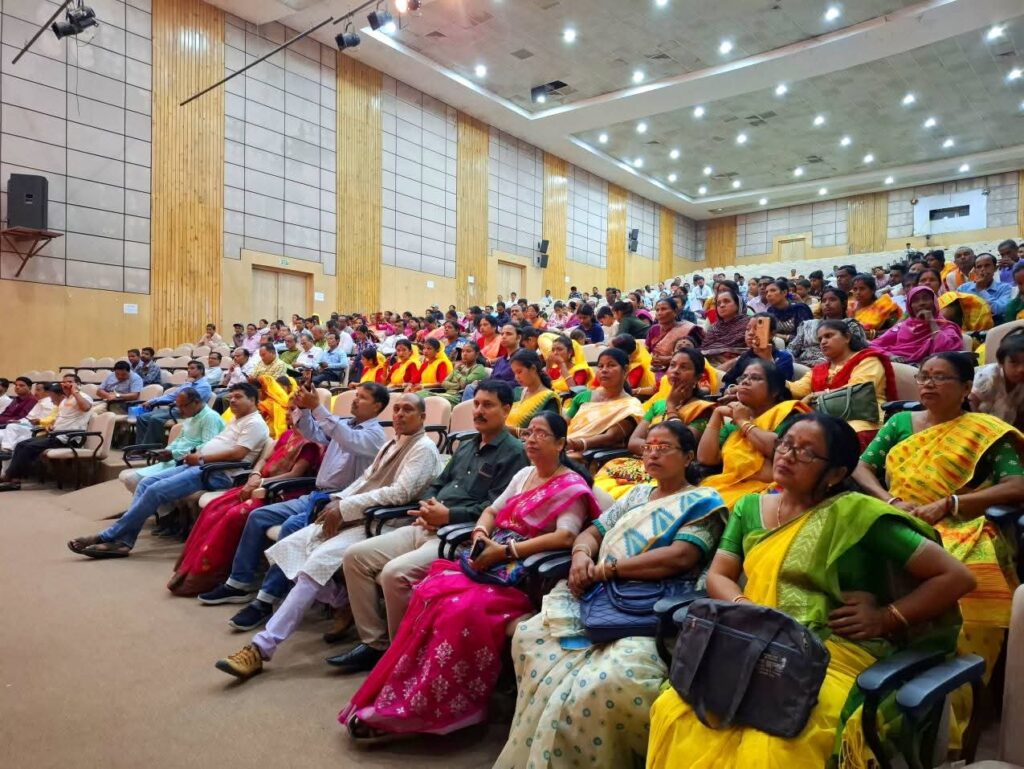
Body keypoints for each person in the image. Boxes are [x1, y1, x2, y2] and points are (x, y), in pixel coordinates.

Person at [648, 414, 974, 769]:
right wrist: (751, 612)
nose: (787, 455)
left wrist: (886, 618)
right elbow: (719, 575)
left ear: (835, 473)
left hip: (827, 652)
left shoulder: (854, 515)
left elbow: (956, 576)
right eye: (786, 444)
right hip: (751, 641)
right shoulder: (749, 508)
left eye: (806, 452)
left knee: (774, 748)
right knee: (676, 711)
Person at [340, 412, 600, 740]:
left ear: (561, 443)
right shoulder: (525, 474)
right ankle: (406, 690)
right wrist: (480, 534)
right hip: (489, 561)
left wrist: (506, 551)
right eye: (528, 433)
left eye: (541, 434)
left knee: (459, 609)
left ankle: (452, 708)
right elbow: (491, 510)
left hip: (522, 577)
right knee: (429, 591)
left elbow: (566, 536)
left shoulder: (570, 487)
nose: (531, 440)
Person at [497, 421, 725, 768]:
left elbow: (681, 556)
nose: (653, 454)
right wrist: (580, 556)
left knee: (608, 681)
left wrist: (609, 569)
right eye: (648, 447)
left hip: (651, 609)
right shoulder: (636, 496)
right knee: (531, 637)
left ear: (688, 457)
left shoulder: (702, 501)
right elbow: (592, 532)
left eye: (664, 448)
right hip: (599, 596)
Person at [214, 394, 441, 679]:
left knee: (314, 565)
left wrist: (344, 507)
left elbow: (400, 493)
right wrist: (336, 500)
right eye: (397, 409)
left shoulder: (423, 448)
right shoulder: (392, 443)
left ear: (423, 417)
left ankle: (261, 647)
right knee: (288, 549)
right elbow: (365, 480)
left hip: (386, 524)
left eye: (408, 410)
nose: (400, 414)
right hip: (357, 514)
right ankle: (341, 599)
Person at [854, 352, 1024, 704]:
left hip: (961, 524)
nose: (928, 384)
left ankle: (956, 696)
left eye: (940, 377)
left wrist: (951, 503)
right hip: (898, 518)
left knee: (970, 580)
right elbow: (861, 468)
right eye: (923, 376)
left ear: (965, 388)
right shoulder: (900, 422)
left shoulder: (986, 432)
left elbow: (1016, 485)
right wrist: (889, 499)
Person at [332, 381, 529, 672]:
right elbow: (437, 483)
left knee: (394, 574)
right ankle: (375, 644)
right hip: (425, 525)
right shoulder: (467, 445)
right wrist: (427, 506)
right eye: (476, 404)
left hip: (457, 538)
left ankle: (402, 657)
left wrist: (448, 515)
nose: (478, 411)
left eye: (488, 405)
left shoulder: (514, 454)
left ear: (507, 409)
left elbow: (496, 509)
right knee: (354, 557)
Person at [198, 382, 389, 631]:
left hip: (339, 502)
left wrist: (317, 407)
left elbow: (347, 438)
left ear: (377, 407)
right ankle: (238, 583)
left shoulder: (374, 435)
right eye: (356, 395)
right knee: (259, 516)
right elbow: (313, 433)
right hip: (316, 495)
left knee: (290, 527)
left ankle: (265, 600)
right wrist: (304, 409)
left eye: (362, 398)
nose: (354, 400)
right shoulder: (344, 424)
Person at [67, 383, 270, 555]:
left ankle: (108, 536)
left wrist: (201, 457)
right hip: (201, 465)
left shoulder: (255, 423)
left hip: (218, 473)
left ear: (253, 400)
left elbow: (238, 454)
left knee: (155, 491)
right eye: (231, 396)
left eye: (238, 397)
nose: (232, 400)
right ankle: (124, 542)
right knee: (146, 483)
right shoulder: (236, 419)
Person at [167, 409, 322, 595]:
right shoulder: (287, 435)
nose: (287, 413)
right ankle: (191, 569)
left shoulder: (310, 444)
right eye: (287, 409)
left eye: (293, 410)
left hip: (279, 492)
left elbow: (294, 475)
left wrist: (261, 482)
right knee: (214, 507)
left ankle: (215, 576)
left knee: (233, 515)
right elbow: (264, 460)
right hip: (258, 484)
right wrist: (255, 474)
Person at [593, 348, 716, 500]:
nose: (675, 371)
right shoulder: (658, 405)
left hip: (670, 475)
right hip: (640, 465)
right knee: (599, 488)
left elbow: (684, 445)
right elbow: (633, 442)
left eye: (684, 367)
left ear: (698, 377)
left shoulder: (703, 409)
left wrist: (671, 407)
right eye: (672, 365)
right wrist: (660, 450)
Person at [698, 358, 810, 508]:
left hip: (768, 497)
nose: (745, 381)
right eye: (743, 377)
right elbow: (706, 459)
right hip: (729, 490)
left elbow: (779, 450)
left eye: (755, 378)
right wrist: (717, 414)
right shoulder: (733, 425)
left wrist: (743, 422)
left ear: (775, 391)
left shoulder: (787, 414)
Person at [787, 320, 897, 448]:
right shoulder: (819, 369)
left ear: (847, 337)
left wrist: (814, 396)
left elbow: (858, 391)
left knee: (834, 439)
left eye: (828, 336)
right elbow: (799, 389)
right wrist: (772, 376)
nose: (823, 342)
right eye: (820, 339)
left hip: (864, 420)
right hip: (826, 419)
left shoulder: (868, 360)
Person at [118, 388, 225, 494]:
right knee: (132, 480)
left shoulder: (210, 417)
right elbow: (180, 438)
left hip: (189, 464)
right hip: (175, 460)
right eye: (178, 406)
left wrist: (174, 454)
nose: (180, 411)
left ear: (196, 402)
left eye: (183, 406)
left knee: (137, 482)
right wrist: (167, 450)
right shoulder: (191, 416)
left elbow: (206, 447)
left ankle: (159, 504)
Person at [0, 374, 93, 492]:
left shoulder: (83, 396)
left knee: (28, 447)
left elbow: (86, 407)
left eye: (70, 382)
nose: (66, 384)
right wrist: (51, 425)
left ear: (78, 384)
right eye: (64, 382)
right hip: (55, 435)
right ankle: (13, 478)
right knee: (21, 445)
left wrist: (75, 392)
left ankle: (11, 479)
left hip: (68, 438)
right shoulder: (65, 400)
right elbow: (60, 418)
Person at [563, 348, 645, 462]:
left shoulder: (630, 406)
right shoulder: (584, 396)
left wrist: (577, 443)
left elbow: (611, 437)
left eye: (611, 365)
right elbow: (563, 424)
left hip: (588, 453)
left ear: (626, 370)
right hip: (565, 445)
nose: (604, 370)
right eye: (600, 366)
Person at [870, 286, 964, 365]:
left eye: (926, 298)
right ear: (910, 306)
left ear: (934, 302)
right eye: (915, 300)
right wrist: (890, 356)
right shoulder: (903, 326)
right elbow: (873, 345)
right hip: (897, 364)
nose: (922, 303)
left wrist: (931, 321)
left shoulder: (946, 326)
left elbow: (944, 351)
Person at [135, 360, 213, 445]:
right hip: (175, 409)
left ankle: (151, 446)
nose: (189, 370)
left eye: (192, 368)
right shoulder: (189, 383)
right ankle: (140, 446)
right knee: (142, 417)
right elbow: (171, 396)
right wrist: (151, 401)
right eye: (188, 368)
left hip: (188, 412)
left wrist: (188, 383)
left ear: (200, 370)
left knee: (155, 419)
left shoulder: (204, 386)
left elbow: (188, 400)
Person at [786, 287, 868, 367]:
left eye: (832, 300)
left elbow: (856, 352)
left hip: (834, 367)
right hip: (801, 364)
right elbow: (792, 349)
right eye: (824, 301)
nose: (827, 303)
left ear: (843, 303)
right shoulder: (808, 325)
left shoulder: (850, 325)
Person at [720, 313, 794, 387]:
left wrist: (769, 360)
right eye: (747, 329)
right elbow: (728, 380)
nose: (750, 333)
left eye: (757, 328)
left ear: (771, 334)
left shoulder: (784, 358)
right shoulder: (746, 356)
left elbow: (781, 388)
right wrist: (730, 390)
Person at [971, 330, 1024, 430]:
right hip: (979, 425)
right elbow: (971, 402)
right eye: (1014, 362)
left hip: (1004, 427)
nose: (1021, 369)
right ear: (1001, 362)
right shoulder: (989, 377)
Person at [504, 349, 559, 433]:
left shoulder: (549, 398)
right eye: (514, 373)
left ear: (533, 368)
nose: (516, 377)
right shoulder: (517, 392)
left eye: (519, 372)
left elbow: (546, 433)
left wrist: (514, 431)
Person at [646, 297, 703, 376]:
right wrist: (650, 359)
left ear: (675, 311)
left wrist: (671, 359)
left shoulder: (687, 329)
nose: (659, 313)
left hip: (678, 372)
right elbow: (646, 350)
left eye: (663, 309)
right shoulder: (654, 329)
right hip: (652, 368)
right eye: (657, 310)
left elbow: (696, 356)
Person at [701, 285, 750, 367]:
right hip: (711, 366)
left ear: (738, 304)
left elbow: (753, 351)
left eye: (726, 301)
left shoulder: (749, 324)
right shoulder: (714, 328)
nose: (722, 305)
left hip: (742, 366)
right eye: (718, 303)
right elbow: (705, 351)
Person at [961, 253, 1013, 322]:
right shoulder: (963, 288)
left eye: (987, 265)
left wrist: (981, 290)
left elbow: (1000, 310)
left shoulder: (1005, 288)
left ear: (995, 268)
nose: (983, 269)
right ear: (975, 271)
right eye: (979, 267)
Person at [851, 273, 901, 339]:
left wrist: (873, 334)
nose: (858, 292)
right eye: (855, 289)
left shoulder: (885, 306)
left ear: (872, 290)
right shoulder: (851, 307)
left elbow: (898, 328)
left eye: (862, 288)